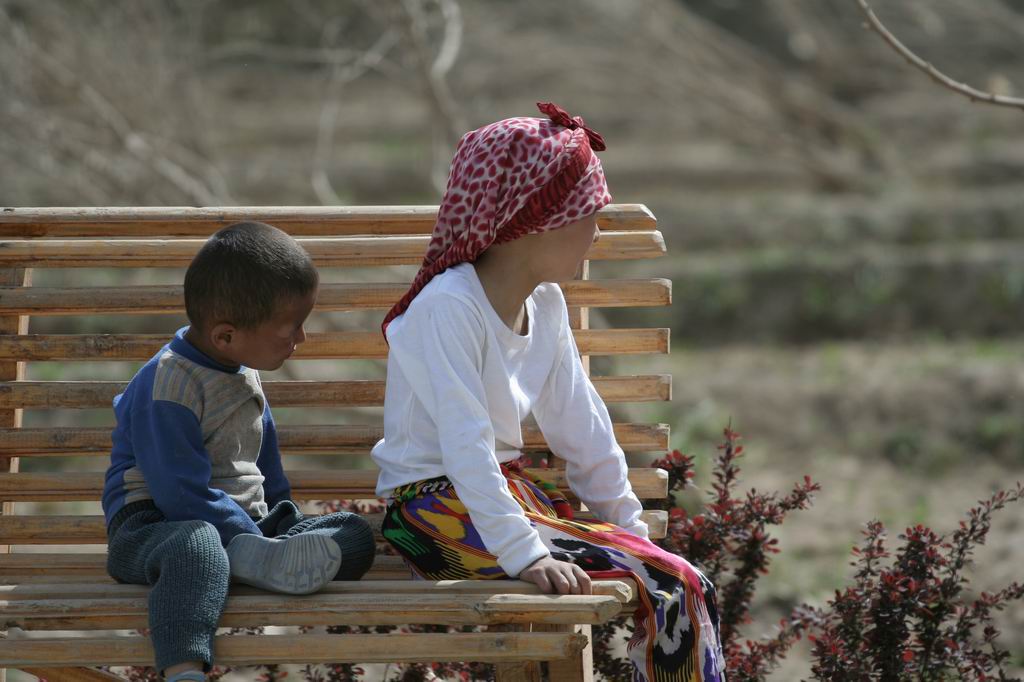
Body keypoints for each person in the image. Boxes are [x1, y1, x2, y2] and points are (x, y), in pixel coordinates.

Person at [372, 103, 725, 681]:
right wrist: (525, 552)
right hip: (433, 515)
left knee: (675, 579)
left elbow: (581, 426)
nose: (597, 229)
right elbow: (466, 444)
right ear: (535, 221)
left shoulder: (548, 303)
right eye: (588, 212)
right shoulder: (448, 307)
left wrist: (631, 533)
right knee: (676, 586)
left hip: (502, 503)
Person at [101, 222, 376, 682]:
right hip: (156, 527)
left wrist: (278, 520)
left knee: (353, 532)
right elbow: (178, 492)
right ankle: (184, 667)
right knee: (200, 546)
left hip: (239, 524)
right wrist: (249, 537)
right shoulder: (168, 384)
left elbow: (263, 461)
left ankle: (256, 561)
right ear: (225, 335)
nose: (301, 339)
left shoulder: (239, 368)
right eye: (290, 329)